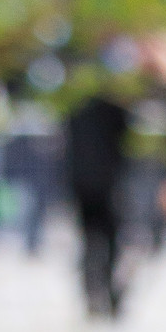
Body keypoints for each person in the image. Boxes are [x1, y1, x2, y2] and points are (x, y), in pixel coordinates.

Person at [65, 86, 132, 317]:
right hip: (103, 185)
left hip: (90, 184)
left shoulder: (76, 104)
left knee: (95, 241)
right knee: (102, 241)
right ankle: (99, 291)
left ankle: (97, 291)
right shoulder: (110, 105)